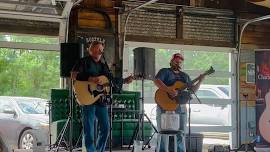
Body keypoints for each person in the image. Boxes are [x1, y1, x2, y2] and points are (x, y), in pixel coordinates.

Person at [71, 41, 132, 152]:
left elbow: (110, 81)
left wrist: (124, 81)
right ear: (90, 50)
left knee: (105, 129)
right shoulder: (83, 62)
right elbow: (73, 75)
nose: (99, 51)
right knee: (89, 130)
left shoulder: (104, 66)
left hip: (101, 101)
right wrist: (90, 78)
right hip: (87, 99)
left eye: (101, 49)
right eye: (97, 48)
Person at [154, 53, 205, 152]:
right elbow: (157, 81)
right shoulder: (165, 71)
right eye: (176, 61)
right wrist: (169, 90)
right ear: (171, 61)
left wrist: (200, 81)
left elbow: (192, 90)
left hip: (180, 107)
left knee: (181, 133)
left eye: (180, 62)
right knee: (162, 132)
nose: (178, 63)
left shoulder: (184, 76)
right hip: (164, 105)